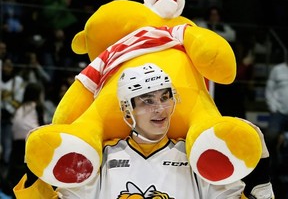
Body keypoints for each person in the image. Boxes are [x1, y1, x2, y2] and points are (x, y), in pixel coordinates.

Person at [13, 63, 274, 198]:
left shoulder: (194, 157)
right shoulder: (103, 157)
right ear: (128, 111)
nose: (159, 108)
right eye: (147, 101)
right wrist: (37, 159)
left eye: (165, 97)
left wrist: (260, 168)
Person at [4, 83, 44, 197]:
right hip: (31, 141)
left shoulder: (19, 107)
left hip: (16, 141)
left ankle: (13, 190)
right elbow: (41, 126)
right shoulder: (37, 106)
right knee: (29, 170)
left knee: (15, 168)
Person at [265, 61, 288, 184]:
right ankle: (270, 172)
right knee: (270, 137)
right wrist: (273, 107)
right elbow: (269, 89)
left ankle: (284, 172)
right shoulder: (278, 69)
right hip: (278, 112)